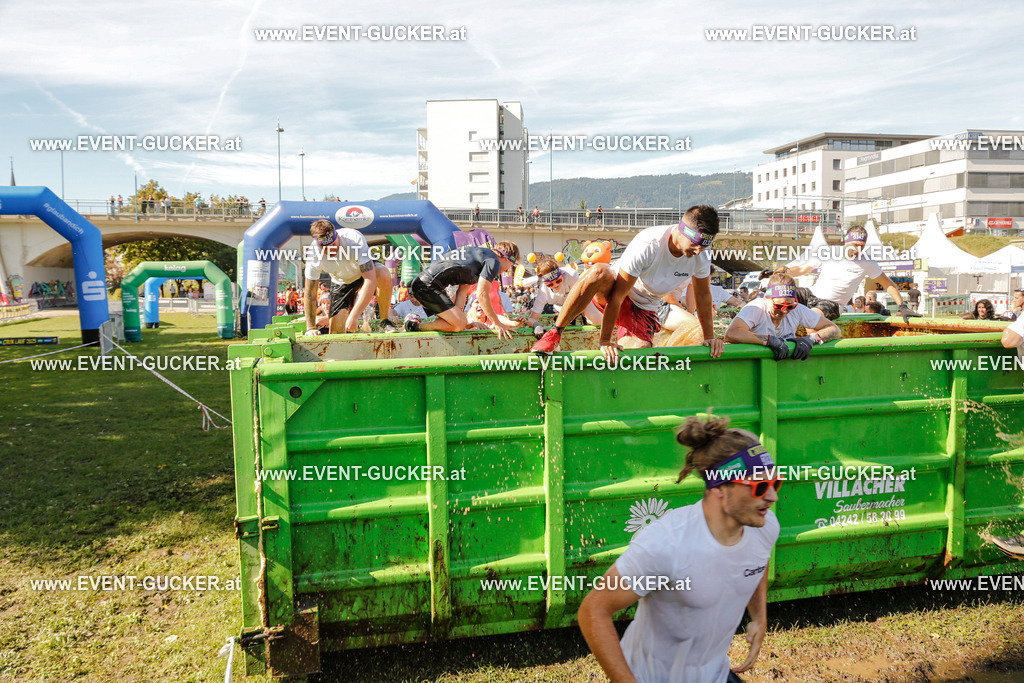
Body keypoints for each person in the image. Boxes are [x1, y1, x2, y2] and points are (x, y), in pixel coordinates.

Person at [577, 411, 780, 683]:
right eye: (760, 486)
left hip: (714, 675)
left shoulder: (764, 526)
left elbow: (756, 560)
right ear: (720, 487)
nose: (772, 496)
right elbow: (593, 610)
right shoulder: (667, 544)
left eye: (775, 483)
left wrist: (759, 616)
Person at [532, 205, 725, 360]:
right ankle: (555, 333)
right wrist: (605, 341)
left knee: (639, 354)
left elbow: (703, 296)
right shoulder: (649, 244)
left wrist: (710, 337)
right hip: (613, 292)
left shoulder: (701, 255)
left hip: (644, 307)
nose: (698, 251)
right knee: (599, 271)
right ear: (682, 230)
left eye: (704, 247)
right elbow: (617, 296)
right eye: (694, 244)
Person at [787, 226, 915, 321]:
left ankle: (811, 342)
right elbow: (802, 269)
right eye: (855, 245)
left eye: (862, 246)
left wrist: (902, 306)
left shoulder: (867, 262)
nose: (857, 250)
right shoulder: (828, 252)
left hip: (831, 304)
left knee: (811, 317)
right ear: (845, 241)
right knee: (781, 293)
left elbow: (888, 284)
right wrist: (780, 272)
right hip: (811, 295)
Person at [405, 241, 520, 338]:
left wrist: (463, 322)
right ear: (506, 258)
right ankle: (413, 326)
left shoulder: (478, 259)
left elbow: (462, 292)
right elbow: (482, 295)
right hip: (427, 285)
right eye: (511, 266)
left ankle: (413, 324)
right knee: (459, 324)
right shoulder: (493, 261)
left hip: (426, 284)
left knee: (456, 323)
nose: (507, 271)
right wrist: (497, 323)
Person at [725, 268, 841, 361]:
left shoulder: (797, 310)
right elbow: (731, 333)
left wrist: (811, 339)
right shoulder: (756, 308)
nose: (784, 311)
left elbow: (834, 329)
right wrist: (768, 340)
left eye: (790, 306)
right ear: (766, 298)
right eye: (778, 306)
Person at [302, 219, 393, 335]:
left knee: (383, 272)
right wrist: (310, 328)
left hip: (362, 274)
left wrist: (354, 316)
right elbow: (310, 293)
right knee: (336, 333)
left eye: (333, 245)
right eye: (326, 248)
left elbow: (370, 280)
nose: (331, 250)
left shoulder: (353, 239)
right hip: (341, 282)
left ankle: (384, 321)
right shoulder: (313, 254)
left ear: (337, 237)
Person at [527, 256, 603, 332]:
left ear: (561, 275)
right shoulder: (543, 291)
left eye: (558, 281)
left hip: (581, 301)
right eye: (550, 284)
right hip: (561, 307)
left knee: (597, 320)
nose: (555, 285)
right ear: (545, 284)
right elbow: (532, 318)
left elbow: (580, 299)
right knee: (563, 329)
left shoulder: (570, 275)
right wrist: (537, 325)